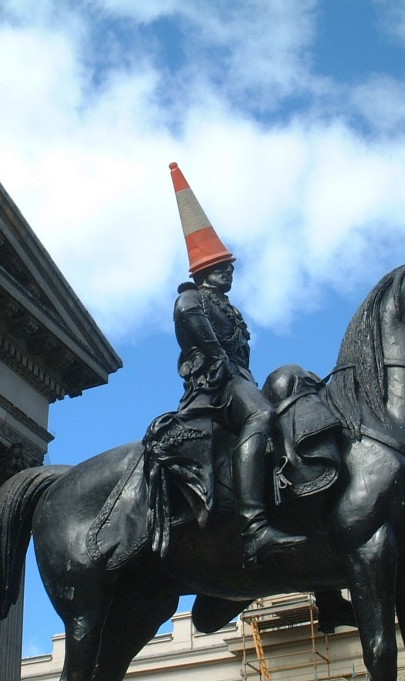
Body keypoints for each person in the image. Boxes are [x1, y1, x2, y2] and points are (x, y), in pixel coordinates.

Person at [169, 162, 306, 565]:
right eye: (223, 267)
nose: (230, 271)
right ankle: (254, 525)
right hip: (214, 386)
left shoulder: (230, 308)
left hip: (237, 380)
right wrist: (235, 377)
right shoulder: (190, 301)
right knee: (261, 415)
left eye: (230, 266)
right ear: (206, 270)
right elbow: (214, 352)